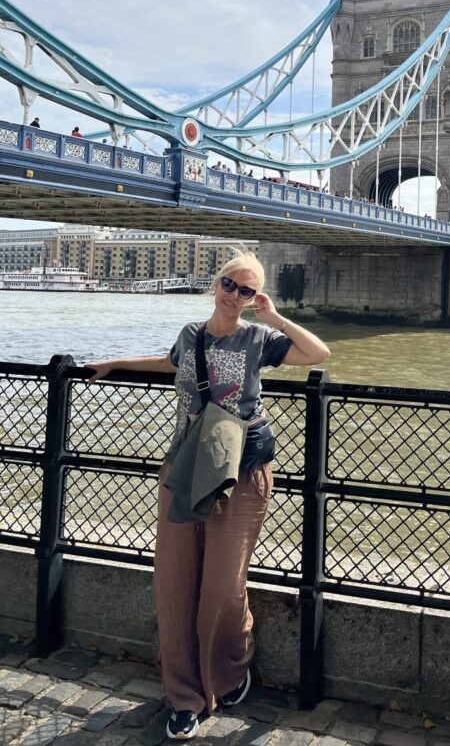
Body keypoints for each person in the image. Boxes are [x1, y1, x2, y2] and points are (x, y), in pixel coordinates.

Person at [86, 254, 330, 740]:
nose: (234, 295)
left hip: (241, 474)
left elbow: (317, 354)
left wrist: (274, 316)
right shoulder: (189, 335)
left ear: (254, 298)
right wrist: (115, 362)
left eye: (246, 291)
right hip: (185, 469)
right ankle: (184, 697)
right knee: (174, 584)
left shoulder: (259, 339)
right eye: (229, 284)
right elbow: (169, 363)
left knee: (222, 585)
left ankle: (230, 668)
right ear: (214, 284)